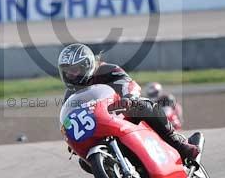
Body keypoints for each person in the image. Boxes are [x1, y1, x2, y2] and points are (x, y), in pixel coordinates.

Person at [58, 43, 199, 161]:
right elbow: (68, 119)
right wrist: (70, 136)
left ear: (86, 65)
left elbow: (127, 83)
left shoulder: (106, 70)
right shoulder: (70, 95)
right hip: (99, 127)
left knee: (143, 106)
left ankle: (178, 143)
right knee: (85, 163)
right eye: (67, 72)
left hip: (122, 114)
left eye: (74, 70)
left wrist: (128, 98)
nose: (70, 75)